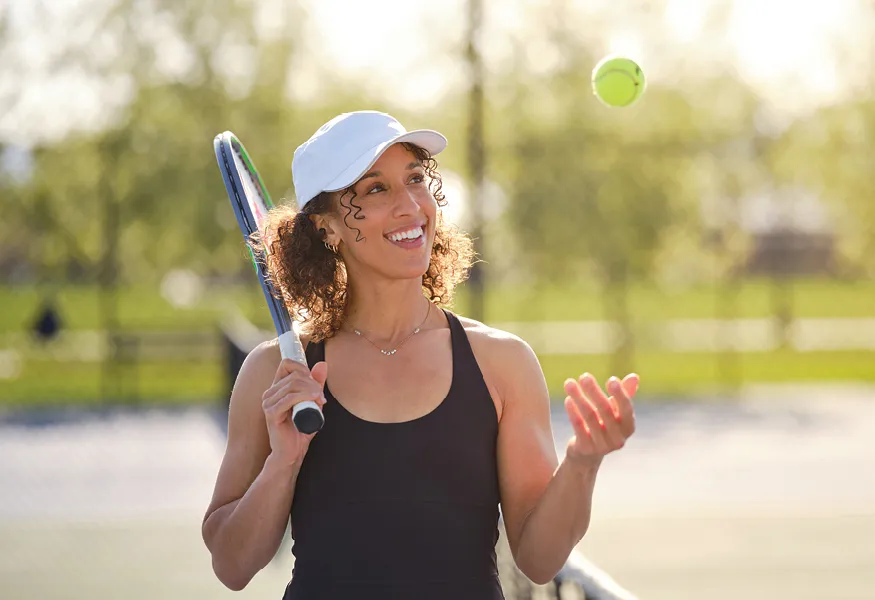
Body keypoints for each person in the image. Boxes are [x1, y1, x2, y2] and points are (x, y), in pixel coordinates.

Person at [201, 110, 639, 599]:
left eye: (415, 179)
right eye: (375, 189)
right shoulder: (274, 372)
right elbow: (232, 565)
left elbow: (537, 560)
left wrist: (582, 463)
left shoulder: (502, 363)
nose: (410, 204)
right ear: (327, 230)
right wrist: (282, 463)